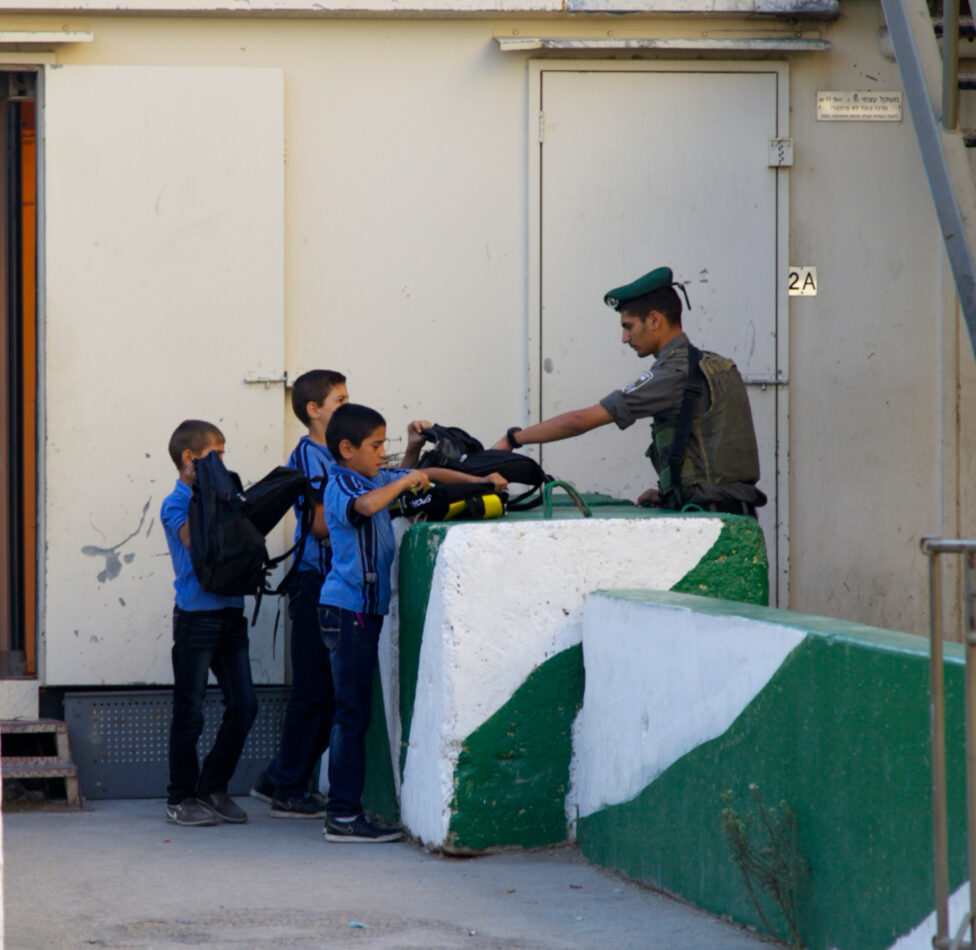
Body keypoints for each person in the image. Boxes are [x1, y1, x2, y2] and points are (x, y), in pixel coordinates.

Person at [318, 403, 506, 843]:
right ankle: (342, 816)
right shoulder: (342, 483)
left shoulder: (369, 476)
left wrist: (478, 480)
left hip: (362, 613)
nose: (383, 453)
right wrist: (404, 478)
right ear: (346, 449)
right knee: (351, 716)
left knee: (353, 714)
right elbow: (366, 505)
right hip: (347, 613)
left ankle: (345, 811)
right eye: (376, 446)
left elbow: (431, 478)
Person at [493, 266, 765, 516]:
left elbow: (579, 422)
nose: (624, 338)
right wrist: (670, 494)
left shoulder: (672, 375)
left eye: (628, 326)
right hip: (733, 512)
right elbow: (712, 455)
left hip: (711, 516)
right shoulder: (713, 364)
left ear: (655, 320)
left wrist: (514, 439)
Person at [250, 370, 349, 819]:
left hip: (328, 586)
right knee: (314, 691)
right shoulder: (311, 457)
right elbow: (320, 524)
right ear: (315, 410)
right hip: (314, 583)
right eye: (340, 400)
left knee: (328, 692)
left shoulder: (333, 455)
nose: (349, 406)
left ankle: (277, 778)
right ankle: (288, 789)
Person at [160, 420, 258, 827]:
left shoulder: (221, 497)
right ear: (190, 458)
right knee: (191, 710)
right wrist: (210, 492)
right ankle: (180, 797)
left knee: (245, 705)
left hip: (230, 614)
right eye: (216, 455)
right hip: (196, 618)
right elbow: (199, 544)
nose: (222, 462)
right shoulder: (176, 504)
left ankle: (213, 787)